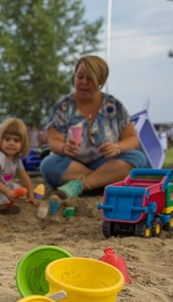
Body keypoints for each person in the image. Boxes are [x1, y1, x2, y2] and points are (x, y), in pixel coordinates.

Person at [40, 55, 148, 198]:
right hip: (73, 164)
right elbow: (53, 141)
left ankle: (80, 186)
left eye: (90, 78)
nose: (84, 82)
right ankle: (102, 182)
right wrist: (64, 147)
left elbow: (132, 139)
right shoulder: (63, 106)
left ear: (101, 81)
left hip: (105, 162)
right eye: (80, 77)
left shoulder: (114, 105)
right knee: (48, 165)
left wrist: (116, 147)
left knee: (138, 158)